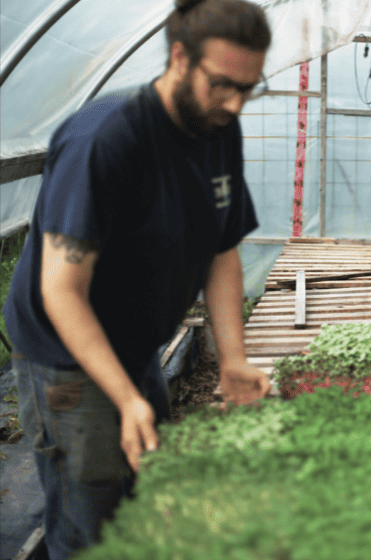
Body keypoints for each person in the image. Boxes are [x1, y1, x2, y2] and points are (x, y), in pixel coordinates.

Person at [2, 0, 272, 557]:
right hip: (67, 355)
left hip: (135, 339)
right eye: (222, 84)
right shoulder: (106, 139)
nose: (236, 102)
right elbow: (62, 290)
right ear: (179, 57)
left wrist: (234, 360)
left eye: (249, 87)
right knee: (90, 513)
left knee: (139, 489)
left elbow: (222, 251)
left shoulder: (218, 129)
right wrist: (124, 398)